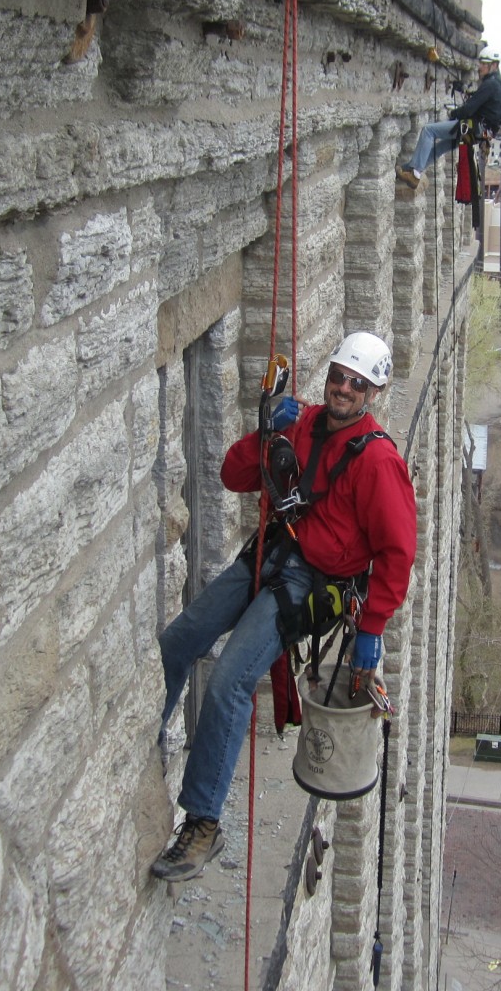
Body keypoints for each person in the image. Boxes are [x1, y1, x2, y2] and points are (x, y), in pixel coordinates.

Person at [150, 331, 418, 882]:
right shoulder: (302, 424)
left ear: (372, 393)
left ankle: (202, 823)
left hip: (310, 586)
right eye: (339, 377)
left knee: (230, 680)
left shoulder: (378, 462)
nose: (343, 388)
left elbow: (397, 552)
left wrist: (371, 630)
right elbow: (233, 476)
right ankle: (145, 739)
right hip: (271, 553)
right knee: (179, 641)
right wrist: (266, 431)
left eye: (357, 383)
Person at [396, 50, 501, 189]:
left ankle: (415, 174)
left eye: (484, 64)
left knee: (429, 131)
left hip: (472, 127)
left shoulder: (490, 84)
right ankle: (408, 169)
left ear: (494, 65)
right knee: (440, 148)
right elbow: (487, 105)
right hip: (482, 133)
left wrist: (453, 113)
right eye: (481, 63)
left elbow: (468, 109)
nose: (480, 67)